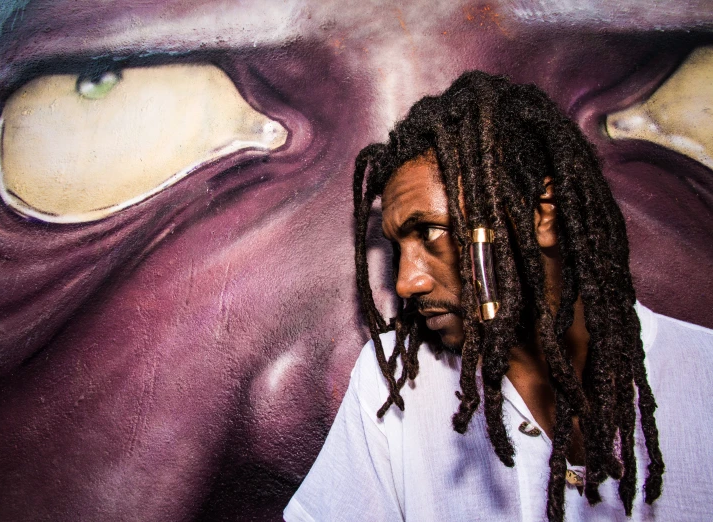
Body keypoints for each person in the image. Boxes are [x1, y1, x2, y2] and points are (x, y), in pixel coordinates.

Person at [285, 71, 713, 521]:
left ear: (541, 215)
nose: (406, 283)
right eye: (397, 248)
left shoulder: (702, 377)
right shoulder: (396, 382)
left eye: (430, 231)